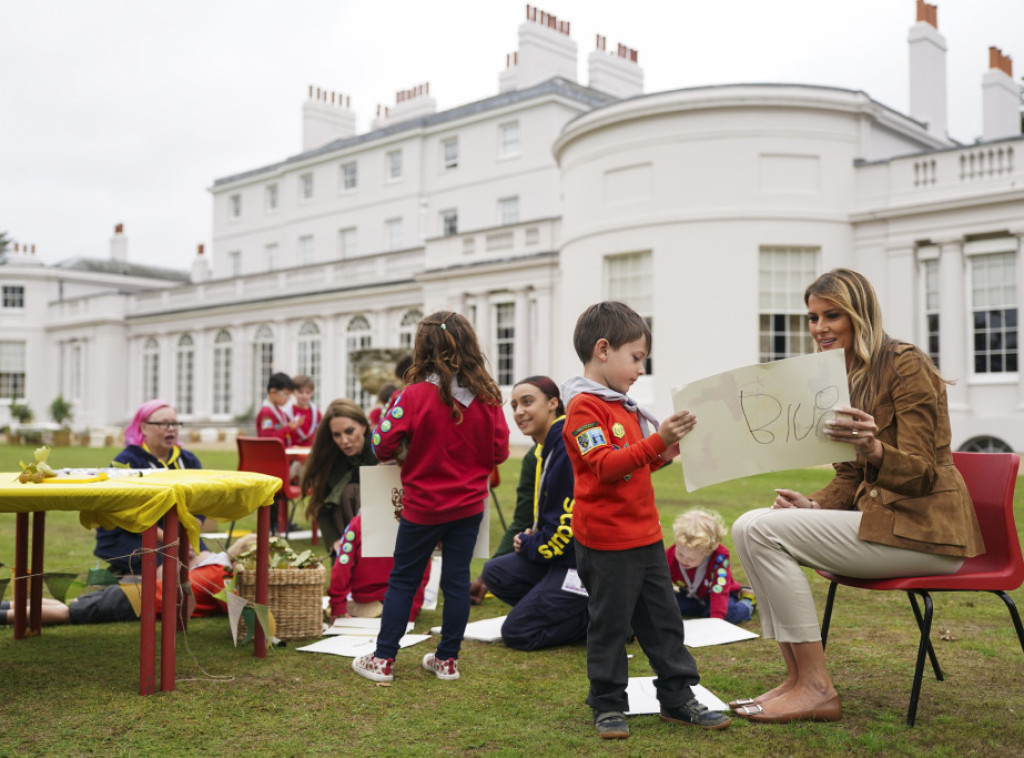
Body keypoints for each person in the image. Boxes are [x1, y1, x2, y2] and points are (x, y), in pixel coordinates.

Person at [730, 268, 985, 724]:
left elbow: (925, 474)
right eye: (812, 317)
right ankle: (796, 680)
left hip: (926, 533)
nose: (819, 327)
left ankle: (816, 688)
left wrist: (875, 447)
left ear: (859, 314)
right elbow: (849, 475)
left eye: (832, 315)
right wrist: (814, 506)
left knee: (764, 532)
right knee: (749, 524)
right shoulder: (841, 375)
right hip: (880, 525)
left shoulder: (906, 364)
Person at [562, 301, 731, 739]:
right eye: (635, 358)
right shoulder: (585, 407)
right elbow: (605, 466)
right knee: (610, 624)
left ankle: (677, 696)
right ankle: (607, 703)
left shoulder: (622, 405)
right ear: (603, 349)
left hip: (644, 535)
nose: (640, 369)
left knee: (663, 620)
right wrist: (657, 439)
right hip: (605, 541)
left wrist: (664, 452)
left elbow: (633, 465)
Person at [352, 311, 509, 683]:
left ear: (422, 349)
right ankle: (447, 660)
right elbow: (500, 452)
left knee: (404, 578)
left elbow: (380, 443)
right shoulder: (488, 396)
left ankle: (384, 659)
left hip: (423, 506)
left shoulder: (413, 395)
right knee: (456, 580)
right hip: (469, 505)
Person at [480, 376, 590, 650]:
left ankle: (607, 619)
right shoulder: (545, 448)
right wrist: (533, 535)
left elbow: (565, 529)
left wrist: (530, 543)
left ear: (554, 403)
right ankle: (558, 608)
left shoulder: (565, 446)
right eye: (514, 405)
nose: (518, 412)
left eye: (527, 402)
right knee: (495, 572)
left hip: (579, 566)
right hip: (559, 557)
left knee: (518, 632)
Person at [5, 535, 258, 626]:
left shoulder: (214, 564)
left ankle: (7, 606)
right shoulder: (223, 577)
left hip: (134, 590)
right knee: (66, 613)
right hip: (137, 600)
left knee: (74, 603)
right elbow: (236, 610)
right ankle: (4, 615)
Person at [94, 400, 204, 576]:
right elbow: (127, 515)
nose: (171, 428)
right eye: (163, 423)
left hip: (177, 536)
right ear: (144, 428)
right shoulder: (127, 462)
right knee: (173, 572)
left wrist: (188, 533)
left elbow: (201, 503)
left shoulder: (188, 461)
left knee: (208, 564)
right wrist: (173, 541)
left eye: (175, 423)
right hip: (128, 536)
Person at [300, 399, 379, 552]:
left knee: (352, 491)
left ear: (363, 426)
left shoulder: (382, 453)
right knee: (349, 492)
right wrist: (334, 543)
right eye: (337, 435)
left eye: (349, 431)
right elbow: (322, 507)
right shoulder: (331, 460)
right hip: (344, 536)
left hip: (383, 529)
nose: (344, 440)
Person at [327, 513, 431, 622]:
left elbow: (342, 567)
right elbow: (423, 570)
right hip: (402, 601)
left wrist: (337, 606)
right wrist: (412, 607)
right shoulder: (416, 523)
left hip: (368, 601)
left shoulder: (357, 524)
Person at [667, 508, 754, 624]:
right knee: (667, 604)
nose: (684, 560)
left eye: (691, 559)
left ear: (708, 551)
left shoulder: (719, 558)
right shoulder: (669, 555)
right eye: (680, 554)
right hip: (691, 596)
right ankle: (704, 611)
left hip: (720, 596)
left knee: (727, 613)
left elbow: (719, 589)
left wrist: (716, 620)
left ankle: (748, 602)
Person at [256, 372, 301, 445]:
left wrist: (291, 426)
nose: (287, 399)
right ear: (273, 391)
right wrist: (288, 428)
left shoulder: (278, 411)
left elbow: (278, 429)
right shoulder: (266, 412)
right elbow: (268, 438)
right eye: (286, 395)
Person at [290, 374, 322, 446]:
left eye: (308, 393)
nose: (304, 396)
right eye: (300, 392)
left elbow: (320, 430)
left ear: (312, 393)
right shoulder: (288, 412)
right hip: (293, 451)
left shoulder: (316, 413)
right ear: (293, 392)